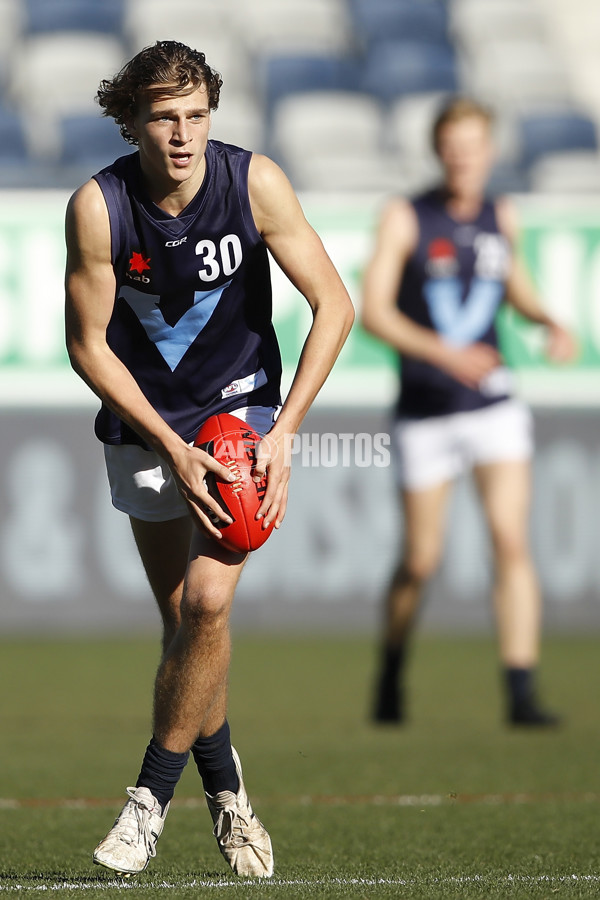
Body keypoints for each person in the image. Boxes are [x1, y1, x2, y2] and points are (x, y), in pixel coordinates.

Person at [64, 40, 354, 879]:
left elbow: (334, 304)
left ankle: (148, 801)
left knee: (209, 602)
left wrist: (285, 429)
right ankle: (228, 790)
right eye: (164, 118)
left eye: (196, 115)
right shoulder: (100, 207)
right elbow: (88, 347)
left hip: (240, 422)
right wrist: (167, 445)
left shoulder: (252, 182)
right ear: (134, 122)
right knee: (185, 623)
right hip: (148, 430)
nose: (184, 135)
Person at [361, 97, 576, 728]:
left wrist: (548, 322)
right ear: (438, 151)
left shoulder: (499, 216)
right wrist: (443, 353)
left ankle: (520, 690)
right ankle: (393, 668)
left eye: (474, 146)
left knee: (510, 539)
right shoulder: (406, 218)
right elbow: (374, 310)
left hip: (494, 405)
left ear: (490, 151)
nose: (463, 159)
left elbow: (519, 291)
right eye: (453, 147)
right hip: (427, 409)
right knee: (421, 559)